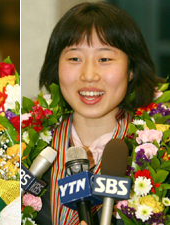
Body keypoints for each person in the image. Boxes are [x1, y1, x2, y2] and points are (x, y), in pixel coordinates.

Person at [35, 2, 163, 225]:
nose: (89, 75)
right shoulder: (30, 146)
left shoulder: (161, 151)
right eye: (75, 58)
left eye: (104, 59)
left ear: (131, 69)